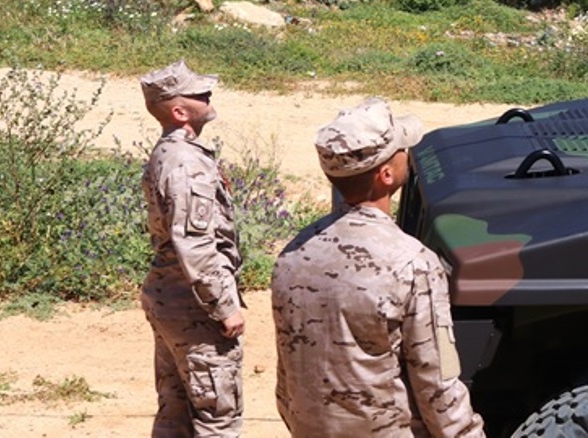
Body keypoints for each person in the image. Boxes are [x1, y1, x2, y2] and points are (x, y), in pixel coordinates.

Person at [271, 97, 485, 438]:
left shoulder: (293, 255)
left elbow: (289, 375)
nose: (407, 154)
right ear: (386, 175)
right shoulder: (412, 264)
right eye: (401, 149)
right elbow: (438, 384)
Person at [140, 60, 245, 437]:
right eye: (199, 94)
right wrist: (223, 305)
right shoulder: (185, 162)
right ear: (179, 112)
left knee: (176, 410)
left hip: (171, 296)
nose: (208, 96)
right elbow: (195, 242)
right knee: (217, 417)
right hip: (195, 308)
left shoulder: (170, 153)